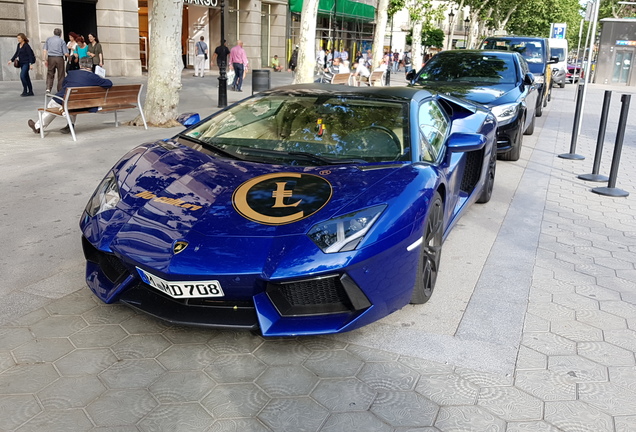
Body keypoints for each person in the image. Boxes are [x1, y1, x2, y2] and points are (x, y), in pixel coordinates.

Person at [28, 57, 113, 135]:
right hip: (84, 105)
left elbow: (63, 85)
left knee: (53, 104)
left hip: (69, 103)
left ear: (80, 65)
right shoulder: (95, 77)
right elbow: (109, 84)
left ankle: (38, 126)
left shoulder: (72, 74)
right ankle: (70, 125)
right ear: (91, 66)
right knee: (72, 102)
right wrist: (99, 76)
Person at [43, 28, 69, 93]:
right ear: (60, 34)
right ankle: (60, 89)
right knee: (61, 74)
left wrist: (44, 59)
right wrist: (69, 57)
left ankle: (48, 88)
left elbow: (45, 50)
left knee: (50, 73)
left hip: (51, 58)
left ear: (54, 33)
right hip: (59, 58)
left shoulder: (48, 39)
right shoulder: (61, 41)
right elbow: (65, 53)